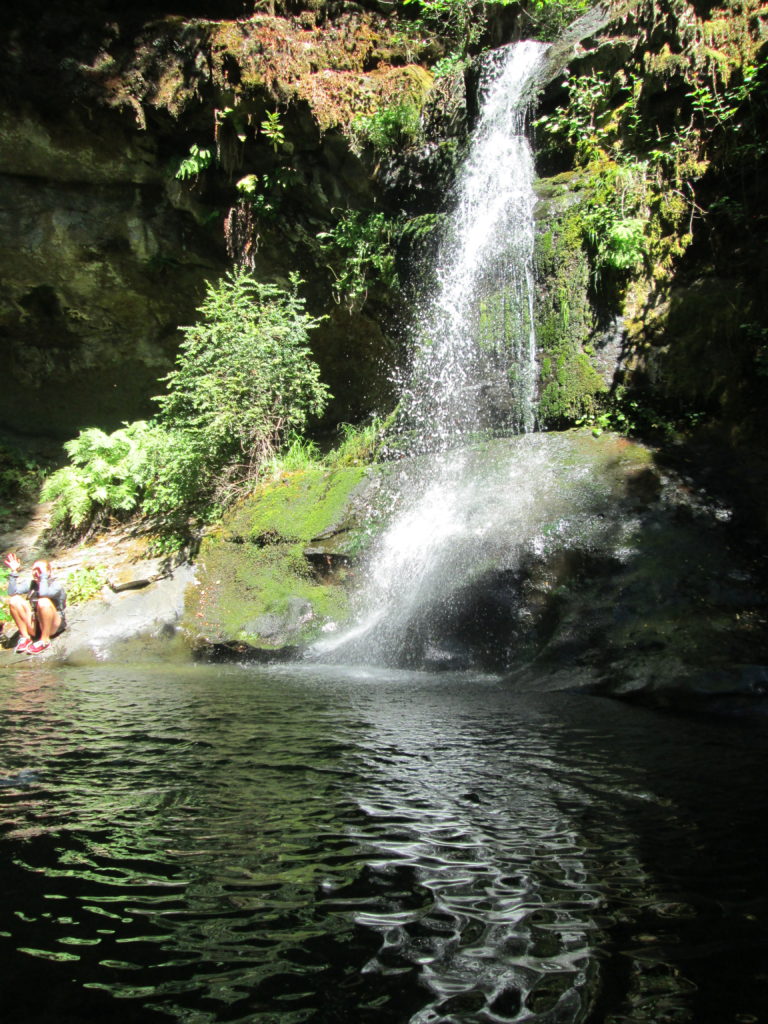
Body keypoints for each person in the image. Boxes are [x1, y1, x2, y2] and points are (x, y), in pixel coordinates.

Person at [4, 553, 67, 655]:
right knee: (14, 600)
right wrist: (14, 571)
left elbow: (43, 593)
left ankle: (45, 640)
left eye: (40, 570)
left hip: (53, 625)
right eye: (34, 570)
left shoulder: (56, 585)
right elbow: (12, 592)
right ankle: (25, 637)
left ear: (49, 571)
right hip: (36, 624)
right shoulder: (31, 583)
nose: (36, 573)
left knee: (43, 601)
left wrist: (43, 577)